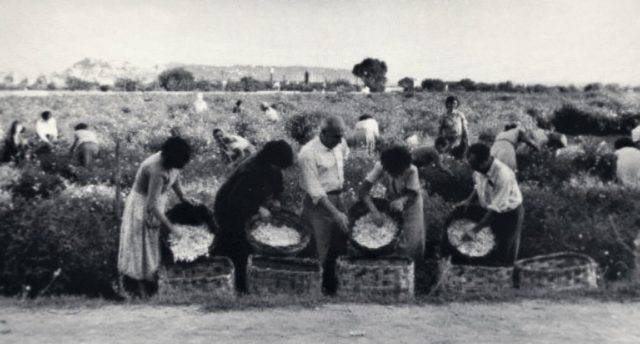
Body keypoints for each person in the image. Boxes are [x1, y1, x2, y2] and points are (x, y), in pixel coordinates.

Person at [213, 140, 294, 292]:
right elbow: (236, 199)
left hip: (247, 203)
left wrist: (276, 199)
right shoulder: (250, 170)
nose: (279, 170)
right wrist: (258, 208)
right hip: (229, 208)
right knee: (235, 245)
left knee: (248, 245)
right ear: (271, 160)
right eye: (278, 166)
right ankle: (233, 284)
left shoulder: (274, 167)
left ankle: (246, 281)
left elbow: (278, 188)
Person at [117, 137, 193, 298]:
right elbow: (150, 205)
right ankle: (133, 286)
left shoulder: (172, 163)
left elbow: (175, 178)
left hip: (156, 201)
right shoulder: (156, 169)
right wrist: (171, 227)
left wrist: (183, 197)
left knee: (151, 244)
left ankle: (149, 280)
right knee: (138, 244)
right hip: (142, 204)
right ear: (171, 157)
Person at [448, 143, 524, 266]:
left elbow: (495, 209)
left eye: (475, 165)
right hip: (492, 209)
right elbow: (478, 186)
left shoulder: (503, 176)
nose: (473, 168)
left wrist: (474, 230)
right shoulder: (479, 169)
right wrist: (468, 200)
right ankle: (487, 270)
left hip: (510, 213)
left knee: (506, 248)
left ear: (486, 160)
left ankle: (506, 276)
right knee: (491, 245)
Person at [298, 116, 350, 295]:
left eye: (342, 136)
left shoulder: (339, 145)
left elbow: (338, 173)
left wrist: (341, 201)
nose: (340, 140)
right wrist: (335, 212)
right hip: (318, 204)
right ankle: (314, 290)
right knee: (320, 247)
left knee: (341, 242)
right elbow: (315, 190)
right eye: (336, 136)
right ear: (323, 133)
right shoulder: (307, 153)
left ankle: (335, 286)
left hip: (337, 199)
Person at [359, 145, 425, 267]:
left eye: (399, 172)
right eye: (392, 172)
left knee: (412, 238)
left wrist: (402, 201)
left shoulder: (412, 170)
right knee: (392, 234)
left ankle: (412, 267)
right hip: (392, 198)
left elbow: (412, 193)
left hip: (412, 203)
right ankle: (393, 265)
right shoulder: (380, 166)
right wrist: (374, 211)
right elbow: (363, 190)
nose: (396, 175)